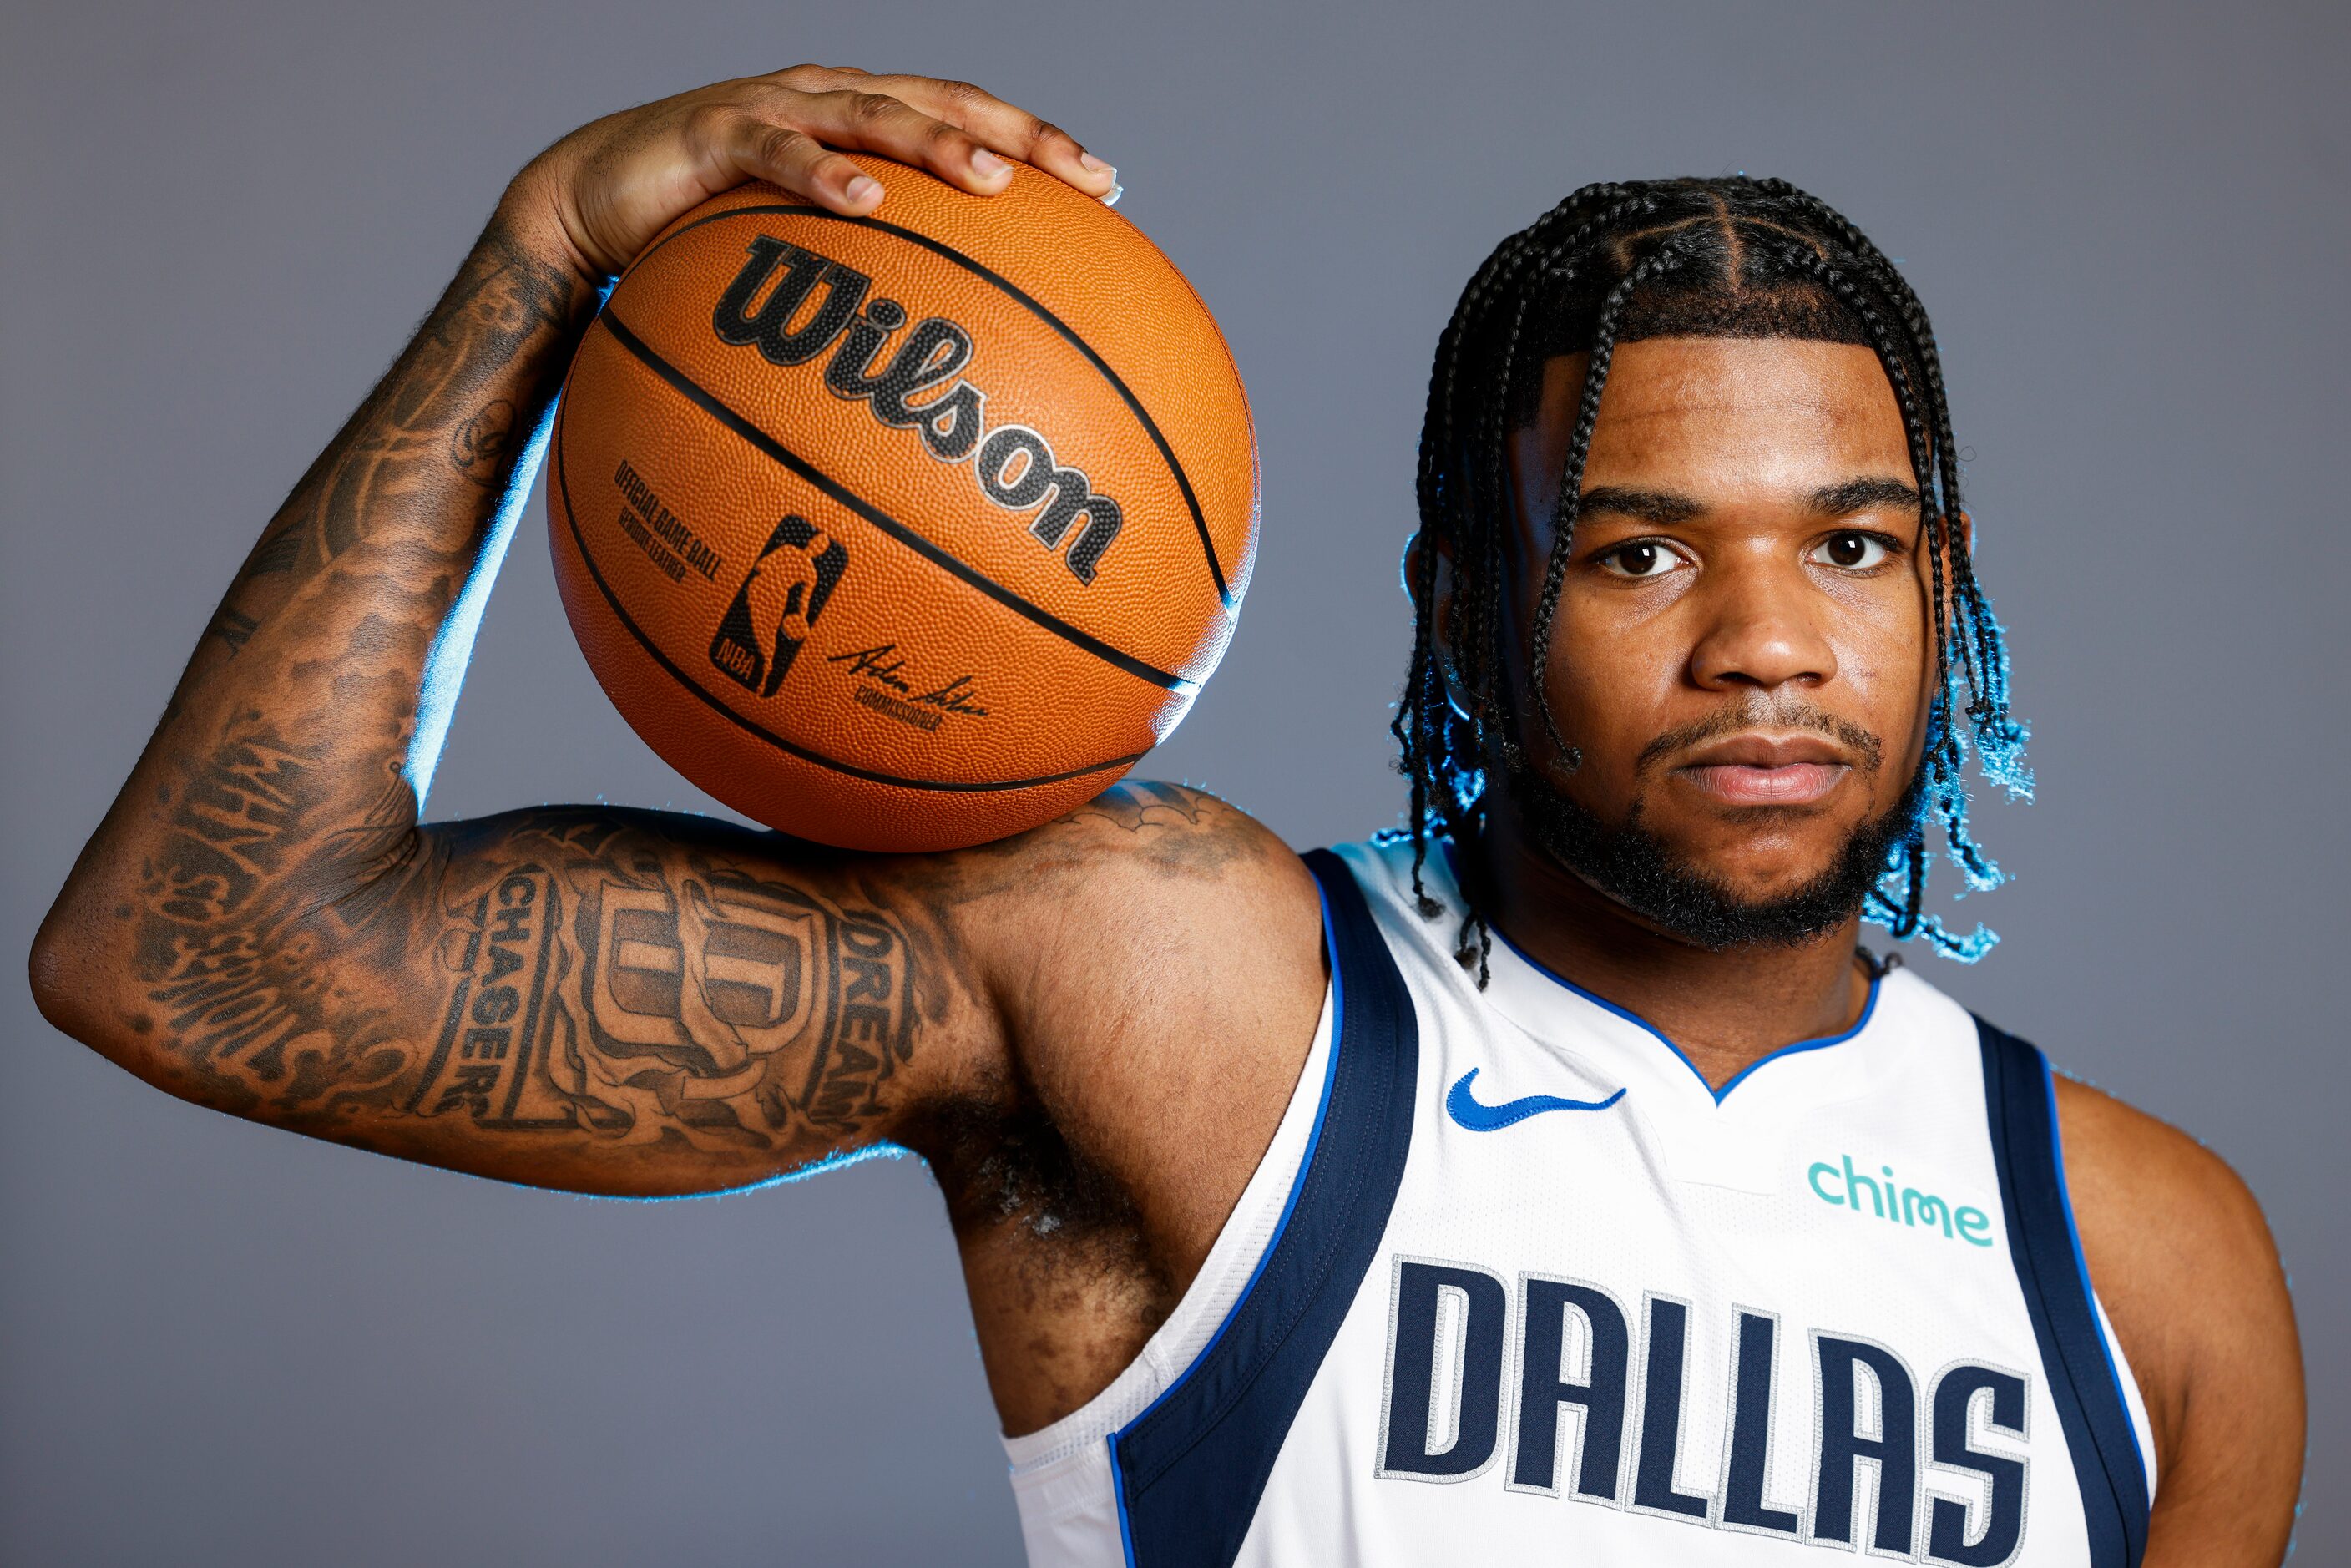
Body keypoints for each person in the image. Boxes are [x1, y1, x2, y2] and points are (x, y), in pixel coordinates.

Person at [28, 64, 2303, 1567]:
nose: (1767, 642)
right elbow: (211, 953)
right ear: (1467, 610)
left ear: (1947, 601)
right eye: (1634, 550)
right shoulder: (1197, 992)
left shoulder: (2153, 1268)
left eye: (1854, 546)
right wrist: (541, 258)